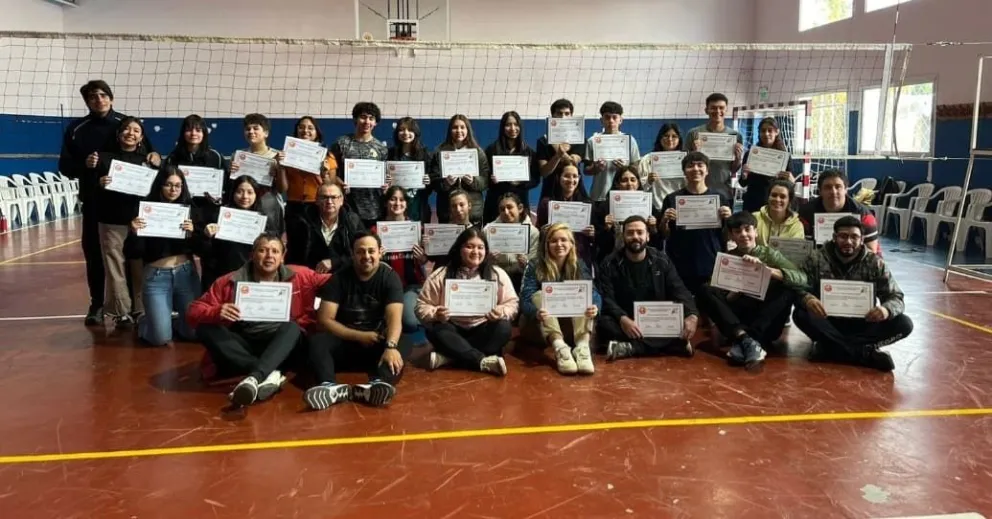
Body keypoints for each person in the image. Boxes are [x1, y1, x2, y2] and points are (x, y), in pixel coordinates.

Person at [186, 232, 327, 406]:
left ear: (282, 257)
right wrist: (216, 311)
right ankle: (268, 373)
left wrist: (345, 263)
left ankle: (255, 376)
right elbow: (193, 312)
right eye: (263, 250)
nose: (269, 256)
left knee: (292, 328)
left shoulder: (300, 276)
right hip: (244, 344)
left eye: (275, 251)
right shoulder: (229, 281)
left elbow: (335, 281)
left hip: (283, 344)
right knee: (205, 328)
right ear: (252, 255)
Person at [58, 79, 157, 325]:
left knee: (136, 257)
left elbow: (149, 158)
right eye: (93, 96)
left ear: (111, 98)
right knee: (95, 255)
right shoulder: (76, 128)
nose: (99, 99)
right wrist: (85, 165)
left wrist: (156, 157)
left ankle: (137, 307)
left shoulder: (126, 124)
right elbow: (64, 166)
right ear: (87, 101)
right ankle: (98, 304)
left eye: (103, 95)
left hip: (132, 205)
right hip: (96, 204)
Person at [304, 233, 413, 409]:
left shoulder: (390, 278)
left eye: (371, 251)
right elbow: (325, 320)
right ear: (353, 254)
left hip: (376, 345)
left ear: (380, 253)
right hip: (345, 343)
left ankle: (377, 385)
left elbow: (394, 318)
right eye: (361, 252)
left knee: (404, 342)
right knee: (317, 341)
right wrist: (359, 336)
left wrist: (391, 346)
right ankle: (329, 386)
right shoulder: (338, 278)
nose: (366, 256)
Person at [792, 216, 913, 372]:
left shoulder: (875, 263)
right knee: (801, 314)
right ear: (834, 237)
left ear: (862, 239)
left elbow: (896, 297)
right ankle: (863, 353)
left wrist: (885, 310)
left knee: (904, 323)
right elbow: (797, 287)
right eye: (843, 236)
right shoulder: (816, 258)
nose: (848, 241)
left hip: (863, 323)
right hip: (827, 321)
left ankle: (831, 349)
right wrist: (807, 298)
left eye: (854, 237)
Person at [694, 211, 808, 370]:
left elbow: (801, 279)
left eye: (748, 229)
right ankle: (745, 339)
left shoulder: (770, 254)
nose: (743, 234)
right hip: (737, 320)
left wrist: (767, 270)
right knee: (705, 289)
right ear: (732, 236)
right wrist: (737, 289)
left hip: (765, 321)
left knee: (787, 289)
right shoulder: (727, 259)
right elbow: (722, 301)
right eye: (737, 231)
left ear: (755, 231)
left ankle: (747, 340)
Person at [416, 227, 519, 376]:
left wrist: (501, 312)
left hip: (482, 329)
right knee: (436, 330)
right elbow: (421, 306)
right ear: (459, 249)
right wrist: (436, 314)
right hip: (452, 329)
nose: (475, 252)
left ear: (486, 251)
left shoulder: (497, 274)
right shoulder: (441, 274)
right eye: (469, 247)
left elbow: (512, 303)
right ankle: (481, 360)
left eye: (480, 247)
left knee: (503, 328)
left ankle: (450, 357)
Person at [596, 216, 698, 360]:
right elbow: (607, 297)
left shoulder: (662, 260)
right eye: (630, 233)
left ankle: (631, 347)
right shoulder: (609, 263)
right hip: (626, 319)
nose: (635, 237)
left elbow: (679, 289)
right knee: (603, 322)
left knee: (680, 319)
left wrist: (692, 315)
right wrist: (622, 318)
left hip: (655, 318)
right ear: (623, 236)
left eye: (640, 232)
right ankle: (672, 345)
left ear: (648, 236)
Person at [90, 116, 159, 329]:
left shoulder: (149, 161)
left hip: (140, 220)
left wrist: (158, 162)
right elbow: (88, 189)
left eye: (136, 130)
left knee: (139, 264)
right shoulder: (102, 159)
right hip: (111, 219)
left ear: (141, 137)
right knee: (114, 266)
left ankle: (140, 309)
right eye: (127, 129)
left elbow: (158, 190)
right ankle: (121, 312)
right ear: (119, 134)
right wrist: (99, 182)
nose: (131, 133)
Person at [129, 166, 201, 346]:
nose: (173, 190)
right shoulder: (144, 210)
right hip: (156, 276)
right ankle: (146, 322)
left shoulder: (191, 209)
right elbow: (131, 253)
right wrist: (134, 233)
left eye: (178, 186)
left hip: (185, 274)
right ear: (160, 185)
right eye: (168, 185)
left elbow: (204, 250)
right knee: (160, 339)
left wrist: (194, 234)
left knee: (193, 333)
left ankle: (173, 322)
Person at [519, 223, 601, 375]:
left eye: (564, 240)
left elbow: (594, 292)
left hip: (571, 326)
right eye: (554, 241)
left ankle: (582, 348)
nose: (559, 244)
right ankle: (560, 349)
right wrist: (535, 312)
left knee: (585, 294)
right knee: (538, 295)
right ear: (547, 244)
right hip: (540, 325)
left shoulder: (579, 264)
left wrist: (595, 306)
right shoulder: (534, 265)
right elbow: (524, 298)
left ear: (571, 244)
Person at [660, 151, 733, 292]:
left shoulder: (720, 198)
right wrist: (664, 221)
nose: (695, 169)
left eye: (700, 165)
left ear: (707, 170)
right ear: (684, 171)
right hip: (680, 263)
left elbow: (727, 236)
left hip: (711, 261)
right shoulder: (671, 198)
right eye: (690, 166)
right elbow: (665, 235)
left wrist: (729, 219)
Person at [197, 175, 280, 290]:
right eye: (239, 192)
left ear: (256, 195)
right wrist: (206, 236)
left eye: (250, 192)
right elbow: (204, 252)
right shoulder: (218, 217)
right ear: (233, 193)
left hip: (253, 278)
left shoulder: (265, 221)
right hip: (222, 277)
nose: (245, 197)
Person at [371, 187, 427, 335]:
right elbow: (367, 266)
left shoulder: (417, 229)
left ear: (406, 204)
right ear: (386, 203)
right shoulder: (375, 231)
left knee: (410, 324)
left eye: (401, 200)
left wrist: (422, 258)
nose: (397, 203)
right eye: (393, 199)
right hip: (384, 287)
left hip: (410, 284)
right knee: (376, 323)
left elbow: (424, 262)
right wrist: (375, 258)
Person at [277, 116, 338, 239]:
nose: (305, 131)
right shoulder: (286, 155)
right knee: (295, 244)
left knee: (317, 244)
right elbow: (282, 189)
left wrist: (324, 173)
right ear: (296, 131)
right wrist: (281, 167)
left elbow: (330, 188)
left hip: (317, 206)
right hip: (294, 206)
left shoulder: (327, 156)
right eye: (301, 127)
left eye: (310, 128)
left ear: (317, 133)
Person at [286, 182, 365, 274]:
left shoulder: (352, 221)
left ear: (341, 200)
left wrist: (335, 262)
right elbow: (294, 257)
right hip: (310, 276)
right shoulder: (302, 222)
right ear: (317, 200)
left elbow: (360, 253)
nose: (329, 201)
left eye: (334, 197)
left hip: (344, 275)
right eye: (324, 197)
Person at [163, 114, 227, 226]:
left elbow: (225, 186)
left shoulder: (215, 157)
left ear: (204, 134)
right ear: (183, 133)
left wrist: (218, 199)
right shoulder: (173, 157)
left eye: (198, 130)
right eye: (189, 130)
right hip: (181, 211)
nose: (193, 134)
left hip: (208, 212)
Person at [332, 103, 389, 228]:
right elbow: (331, 174)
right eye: (363, 117)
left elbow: (386, 177)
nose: (367, 121)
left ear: (375, 123)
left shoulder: (381, 149)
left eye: (371, 118)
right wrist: (340, 183)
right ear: (355, 119)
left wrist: (386, 185)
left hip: (374, 209)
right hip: (346, 207)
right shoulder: (341, 143)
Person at [798, 169, 880, 254]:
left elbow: (871, 251)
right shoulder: (806, 212)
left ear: (846, 190)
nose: (833, 192)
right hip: (819, 258)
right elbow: (802, 248)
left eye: (838, 187)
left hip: (854, 259)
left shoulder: (863, 214)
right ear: (820, 191)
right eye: (828, 187)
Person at [230, 113, 285, 236]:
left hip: (269, 206)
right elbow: (233, 187)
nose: (251, 131)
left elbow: (282, 189)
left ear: (266, 133)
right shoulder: (238, 156)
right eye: (247, 129)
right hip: (244, 206)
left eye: (256, 128)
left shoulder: (277, 156)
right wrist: (232, 172)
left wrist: (279, 170)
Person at [432, 114, 490, 225]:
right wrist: (446, 182)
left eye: (462, 127)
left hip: (473, 213)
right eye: (455, 127)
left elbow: (486, 181)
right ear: (450, 130)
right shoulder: (440, 152)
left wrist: (474, 181)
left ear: (468, 129)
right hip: (447, 212)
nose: (459, 130)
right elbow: (434, 182)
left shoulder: (478, 152)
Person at [536, 164, 596, 271]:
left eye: (575, 176)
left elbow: (595, 238)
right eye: (567, 176)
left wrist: (592, 234)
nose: (571, 180)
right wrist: (544, 231)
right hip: (554, 257)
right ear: (559, 177)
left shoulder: (587, 204)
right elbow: (539, 232)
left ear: (579, 178)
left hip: (580, 256)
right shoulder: (546, 203)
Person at [685, 92, 744, 199]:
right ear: (706, 110)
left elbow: (733, 169)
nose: (717, 111)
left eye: (721, 108)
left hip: (724, 192)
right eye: (713, 108)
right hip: (696, 190)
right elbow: (684, 165)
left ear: (726, 110)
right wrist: (694, 153)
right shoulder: (693, 133)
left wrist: (738, 158)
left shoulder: (735, 136)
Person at [594, 166, 658, 264]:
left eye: (633, 180)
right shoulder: (605, 207)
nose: (629, 184)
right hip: (612, 259)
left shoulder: (647, 204)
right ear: (617, 184)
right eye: (624, 180)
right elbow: (598, 241)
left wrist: (653, 228)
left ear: (638, 183)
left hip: (642, 257)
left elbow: (658, 241)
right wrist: (606, 228)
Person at [484, 110, 538, 223]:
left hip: (520, 200)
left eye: (516, 124)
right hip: (495, 201)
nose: (513, 128)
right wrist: (491, 180)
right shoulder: (491, 150)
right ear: (502, 128)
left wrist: (522, 182)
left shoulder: (528, 152)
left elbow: (536, 179)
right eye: (508, 125)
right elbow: (484, 177)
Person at [585, 101, 641, 202]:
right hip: (599, 195)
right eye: (607, 117)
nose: (611, 121)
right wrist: (596, 168)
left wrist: (625, 168)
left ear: (620, 120)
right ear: (601, 120)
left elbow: (636, 168)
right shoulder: (593, 140)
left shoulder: (629, 140)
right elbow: (586, 170)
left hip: (625, 194)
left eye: (614, 117)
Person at [483, 192, 540, 293]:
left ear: (520, 208)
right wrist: (488, 260)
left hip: (522, 277)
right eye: (502, 209)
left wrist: (526, 264)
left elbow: (535, 263)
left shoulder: (533, 233)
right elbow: (481, 261)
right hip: (496, 276)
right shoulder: (488, 230)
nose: (506, 212)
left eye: (510, 207)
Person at [739, 117, 795, 213]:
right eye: (763, 131)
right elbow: (742, 183)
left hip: (775, 202)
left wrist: (791, 180)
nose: (766, 134)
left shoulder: (784, 156)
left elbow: (789, 186)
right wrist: (744, 176)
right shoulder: (751, 154)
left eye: (770, 130)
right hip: (753, 202)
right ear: (759, 133)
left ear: (777, 132)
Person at [386, 117, 434, 225]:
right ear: (397, 133)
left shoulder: (425, 155)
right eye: (402, 130)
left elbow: (430, 187)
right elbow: (385, 186)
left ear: (416, 132)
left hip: (418, 206)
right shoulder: (390, 154)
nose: (406, 133)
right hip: (397, 205)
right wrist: (386, 180)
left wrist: (428, 181)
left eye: (410, 130)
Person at [536, 98, 586, 201]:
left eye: (567, 114)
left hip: (574, 190)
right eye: (559, 113)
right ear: (552, 117)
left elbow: (572, 162)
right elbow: (544, 172)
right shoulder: (543, 141)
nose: (563, 117)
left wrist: (556, 146)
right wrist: (557, 155)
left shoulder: (580, 140)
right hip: (550, 191)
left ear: (571, 116)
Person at [637, 123, 685, 212]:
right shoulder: (647, 160)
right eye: (666, 136)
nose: (670, 139)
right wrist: (648, 181)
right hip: (656, 206)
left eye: (674, 136)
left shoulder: (685, 160)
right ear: (660, 138)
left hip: (679, 206)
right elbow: (639, 186)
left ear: (679, 139)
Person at [755, 179, 805, 246]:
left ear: (789, 201)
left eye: (782, 197)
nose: (777, 199)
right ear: (768, 197)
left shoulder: (796, 226)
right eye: (774, 195)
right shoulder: (755, 218)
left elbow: (794, 254)